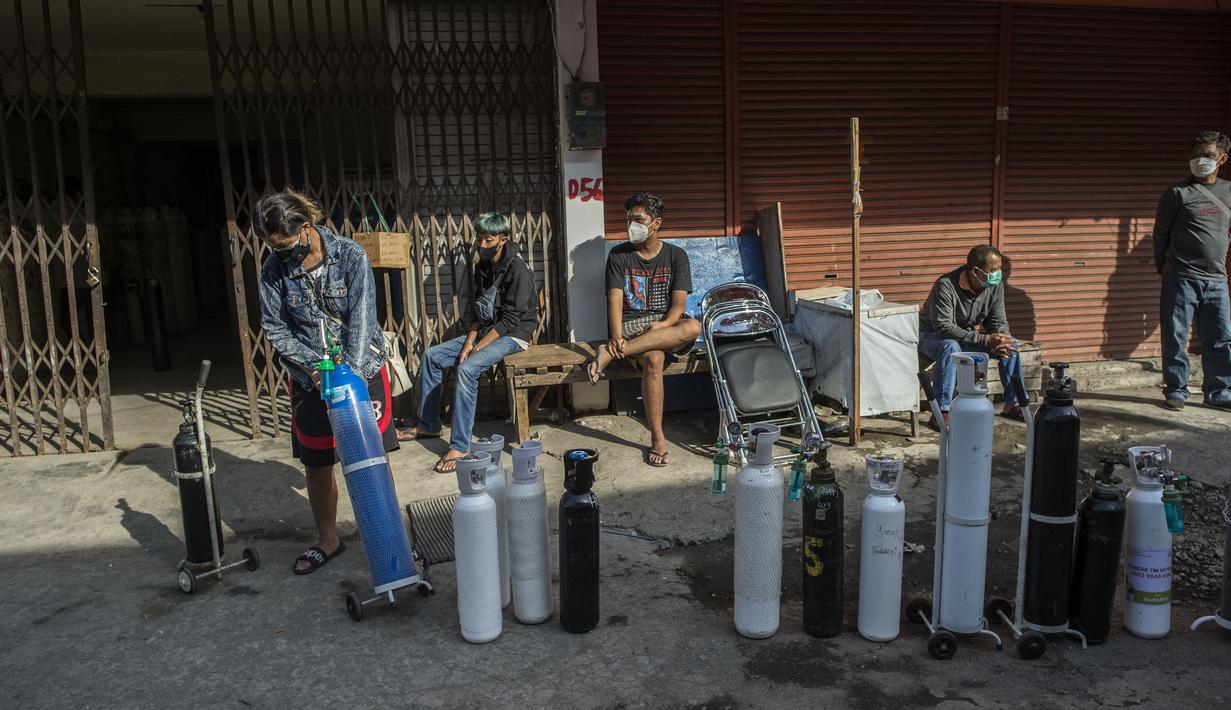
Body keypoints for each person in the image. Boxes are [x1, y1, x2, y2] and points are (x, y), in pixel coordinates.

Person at [256, 190, 394, 575]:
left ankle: (389, 536)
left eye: (285, 245)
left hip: (361, 371)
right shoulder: (272, 270)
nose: (280, 254)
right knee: (318, 464)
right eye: (272, 247)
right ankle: (328, 540)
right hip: (309, 377)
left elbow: (363, 319)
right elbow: (274, 327)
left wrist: (347, 377)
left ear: (306, 226)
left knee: (373, 459)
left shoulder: (350, 255)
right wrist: (314, 369)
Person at [409, 212, 538, 473]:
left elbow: (511, 319)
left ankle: (460, 446)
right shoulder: (483, 267)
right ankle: (429, 424)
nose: (481, 244)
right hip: (487, 331)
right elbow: (479, 313)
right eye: (478, 238)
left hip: (515, 335)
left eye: (487, 239)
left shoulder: (518, 269)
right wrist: (470, 342)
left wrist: (478, 348)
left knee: (468, 369)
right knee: (432, 356)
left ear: (502, 240)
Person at [589, 193, 701, 467]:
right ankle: (658, 439)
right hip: (631, 326)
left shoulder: (676, 256)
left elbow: (679, 303)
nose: (631, 225)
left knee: (694, 325)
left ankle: (609, 355)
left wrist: (664, 324)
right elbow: (614, 298)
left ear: (656, 223)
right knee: (654, 358)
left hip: (663, 325)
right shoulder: (619, 255)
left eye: (638, 220)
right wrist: (616, 335)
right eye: (628, 219)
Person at [1151, 130, 1231, 411]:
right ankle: (1176, 390)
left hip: (1217, 281)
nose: (1200, 160)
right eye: (1195, 155)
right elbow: (1160, 234)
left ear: (1222, 158)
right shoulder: (1177, 194)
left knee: (1220, 339)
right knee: (1175, 336)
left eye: (1207, 155)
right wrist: (1163, 266)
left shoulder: (1229, 192)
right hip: (1181, 277)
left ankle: (1219, 392)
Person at [919, 244, 1022, 428]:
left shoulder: (994, 286)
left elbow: (997, 321)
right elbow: (943, 327)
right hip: (931, 337)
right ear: (976, 271)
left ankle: (1012, 403)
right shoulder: (946, 285)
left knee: (1011, 345)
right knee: (950, 346)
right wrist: (985, 339)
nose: (998, 274)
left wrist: (1001, 339)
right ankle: (941, 411)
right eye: (993, 270)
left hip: (965, 337)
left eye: (999, 269)